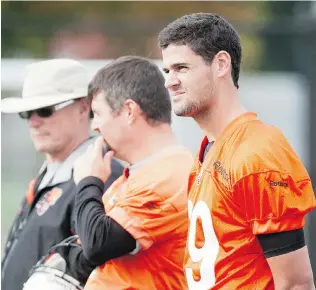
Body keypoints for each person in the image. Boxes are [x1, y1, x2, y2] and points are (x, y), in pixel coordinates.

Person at [158, 13, 316, 290]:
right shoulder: (210, 147)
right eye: (167, 71)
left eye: (181, 68)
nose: (169, 81)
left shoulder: (257, 152)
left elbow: (295, 284)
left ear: (221, 64)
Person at [1, 59, 123, 290]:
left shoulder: (102, 175)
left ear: (83, 108)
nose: (34, 121)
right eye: (27, 112)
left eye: (45, 110)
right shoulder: (46, 177)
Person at [73, 55, 193, 290]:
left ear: (129, 111)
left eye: (97, 113)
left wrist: (89, 181)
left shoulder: (170, 174)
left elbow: (98, 244)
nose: (95, 126)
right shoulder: (135, 175)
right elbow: (84, 252)